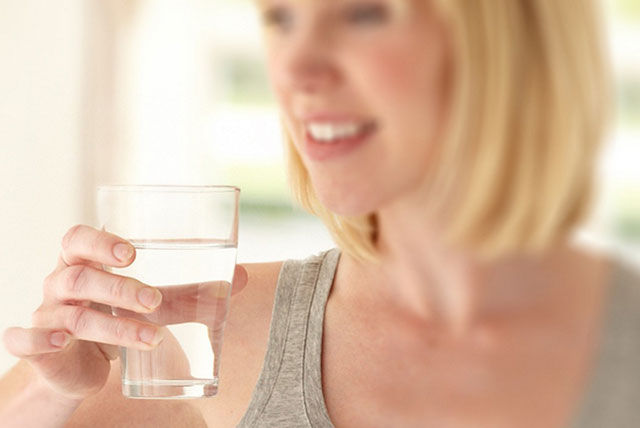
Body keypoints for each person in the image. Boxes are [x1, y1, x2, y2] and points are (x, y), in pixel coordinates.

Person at [1, 0, 638, 426]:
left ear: (507, 39)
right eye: (282, 19)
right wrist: (52, 388)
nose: (294, 69)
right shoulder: (218, 343)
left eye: (363, 13)